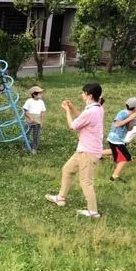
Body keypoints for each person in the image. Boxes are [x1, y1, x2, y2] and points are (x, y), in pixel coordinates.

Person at [45, 83, 104, 218]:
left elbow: (73, 126)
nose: (81, 95)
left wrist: (66, 110)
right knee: (67, 170)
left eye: (83, 93)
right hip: (83, 150)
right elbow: (82, 118)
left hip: (88, 152)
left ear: (89, 95)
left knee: (86, 182)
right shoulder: (97, 108)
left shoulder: (91, 111)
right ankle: (61, 198)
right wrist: (72, 108)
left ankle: (93, 212)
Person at [103, 97, 136, 182]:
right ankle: (114, 177)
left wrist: (132, 120)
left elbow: (129, 129)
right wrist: (130, 118)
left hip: (119, 140)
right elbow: (116, 124)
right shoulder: (122, 113)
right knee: (125, 158)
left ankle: (96, 154)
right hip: (115, 139)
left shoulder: (134, 116)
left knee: (114, 151)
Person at [22, 85, 46, 154]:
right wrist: (30, 117)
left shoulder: (41, 102)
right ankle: (25, 146)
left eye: (41, 93)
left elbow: (42, 112)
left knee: (36, 135)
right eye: (40, 93)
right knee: (26, 133)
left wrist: (41, 122)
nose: (41, 94)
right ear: (34, 94)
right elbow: (25, 110)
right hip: (29, 121)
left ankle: (34, 148)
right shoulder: (29, 101)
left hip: (37, 121)